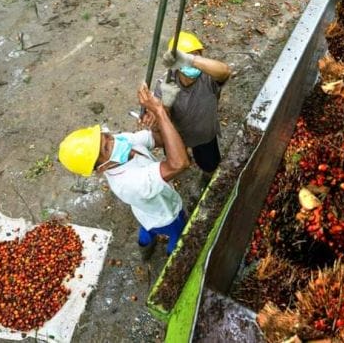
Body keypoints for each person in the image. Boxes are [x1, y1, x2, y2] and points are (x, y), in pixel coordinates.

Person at [58, 83, 190, 259]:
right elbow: (179, 163)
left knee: (147, 227)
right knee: (177, 233)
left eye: (106, 136)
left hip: (145, 212)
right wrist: (159, 111)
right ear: (100, 168)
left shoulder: (121, 141)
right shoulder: (129, 182)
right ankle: (174, 255)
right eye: (106, 148)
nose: (114, 140)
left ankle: (145, 245)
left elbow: (158, 139)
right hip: (165, 214)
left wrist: (156, 122)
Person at [156, 31, 232, 186]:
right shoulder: (165, 86)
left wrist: (190, 60)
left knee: (210, 166)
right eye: (184, 58)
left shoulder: (208, 78)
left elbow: (225, 71)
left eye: (196, 55)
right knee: (179, 163)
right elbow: (160, 124)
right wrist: (166, 104)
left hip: (205, 137)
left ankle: (208, 181)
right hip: (178, 138)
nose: (190, 64)